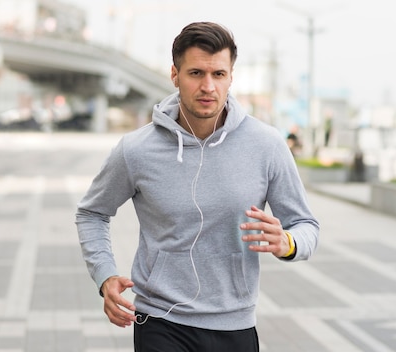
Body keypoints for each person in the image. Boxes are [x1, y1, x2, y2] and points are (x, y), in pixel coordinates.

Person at [75, 22, 319, 351]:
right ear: (175, 75)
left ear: (231, 77)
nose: (208, 86)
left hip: (235, 324)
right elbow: (92, 212)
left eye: (218, 74)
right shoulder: (136, 150)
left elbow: (306, 227)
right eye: (195, 74)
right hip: (160, 320)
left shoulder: (267, 145)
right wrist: (105, 276)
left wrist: (287, 242)